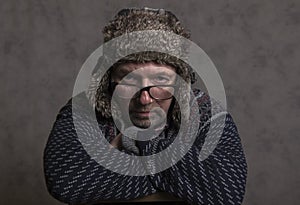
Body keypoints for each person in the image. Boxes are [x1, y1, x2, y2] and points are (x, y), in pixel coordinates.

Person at [44, 7, 247, 205]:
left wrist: (133, 143)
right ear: (107, 80)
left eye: (160, 80)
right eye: (128, 80)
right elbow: (65, 183)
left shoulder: (207, 114)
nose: (144, 99)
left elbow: (226, 194)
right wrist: (180, 177)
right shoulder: (82, 110)